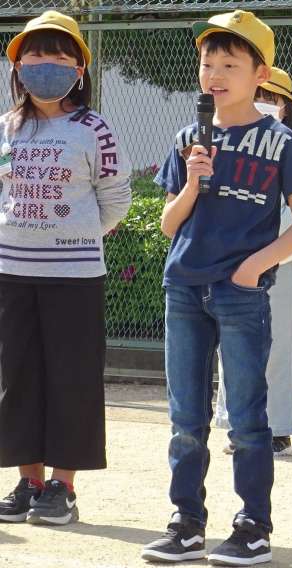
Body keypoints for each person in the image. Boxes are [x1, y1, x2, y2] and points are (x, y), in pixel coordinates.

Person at [142, 10, 292, 566]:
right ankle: (186, 523)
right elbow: (169, 224)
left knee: (246, 417)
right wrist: (192, 182)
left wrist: (254, 266)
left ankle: (252, 527)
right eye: (207, 64)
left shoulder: (281, 142)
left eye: (230, 65)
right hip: (184, 289)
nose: (215, 75)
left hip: (242, 293)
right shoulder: (188, 138)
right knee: (185, 419)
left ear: (260, 74)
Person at [0, 11, 131, 526]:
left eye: (59, 55)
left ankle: (63, 487)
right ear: (17, 66)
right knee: (17, 378)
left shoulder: (95, 128)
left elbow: (115, 199)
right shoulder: (6, 127)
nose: (46, 63)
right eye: (35, 54)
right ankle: (29, 481)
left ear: (79, 69)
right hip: (11, 273)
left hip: (75, 277)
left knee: (71, 379)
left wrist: (75, 237)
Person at [216, 67, 292, 458]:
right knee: (233, 345)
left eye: (270, 98)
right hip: (233, 263)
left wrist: (260, 254)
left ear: (287, 106)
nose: (262, 104)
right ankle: (240, 425)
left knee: (278, 348)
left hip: (283, 262)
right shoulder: (228, 142)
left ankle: (277, 430)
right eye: (257, 95)